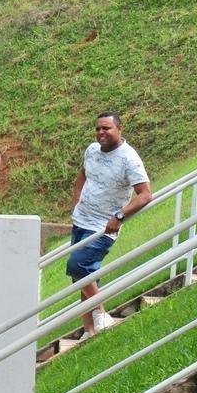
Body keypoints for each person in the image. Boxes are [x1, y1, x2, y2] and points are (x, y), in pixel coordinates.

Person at [67, 112, 152, 336]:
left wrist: (119, 216)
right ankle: (89, 330)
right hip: (81, 220)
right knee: (83, 277)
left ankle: (102, 313)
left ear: (119, 129)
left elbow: (145, 195)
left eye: (106, 128)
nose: (101, 133)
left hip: (104, 227)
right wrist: (76, 203)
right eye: (98, 129)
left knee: (77, 265)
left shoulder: (128, 159)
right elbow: (82, 176)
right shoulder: (92, 150)